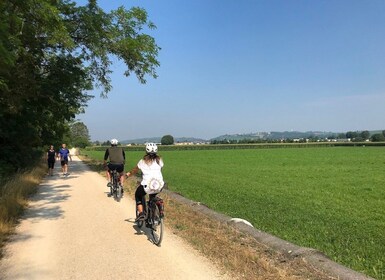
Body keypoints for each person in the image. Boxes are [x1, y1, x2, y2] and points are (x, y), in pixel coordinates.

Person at [126, 143, 164, 220]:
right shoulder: (159, 160)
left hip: (147, 184)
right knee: (152, 196)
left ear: (146, 151)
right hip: (159, 184)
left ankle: (141, 213)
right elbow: (160, 169)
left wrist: (128, 174)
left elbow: (135, 170)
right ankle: (156, 210)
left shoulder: (142, 161)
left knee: (138, 195)